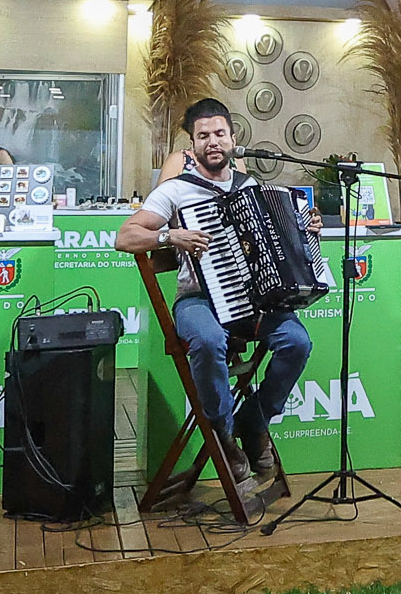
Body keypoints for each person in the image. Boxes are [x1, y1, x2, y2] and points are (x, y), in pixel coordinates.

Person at [115, 98, 317, 504]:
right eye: (203, 136)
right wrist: (170, 235)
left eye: (219, 134)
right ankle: (223, 435)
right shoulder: (176, 191)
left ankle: (253, 421)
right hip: (198, 299)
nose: (213, 142)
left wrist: (303, 227)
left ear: (232, 139)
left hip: (253, 299)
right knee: (207, 341)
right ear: (192, 146)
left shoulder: (252, 187)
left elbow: (277, 244)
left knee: (298, 342)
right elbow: (124, 237)